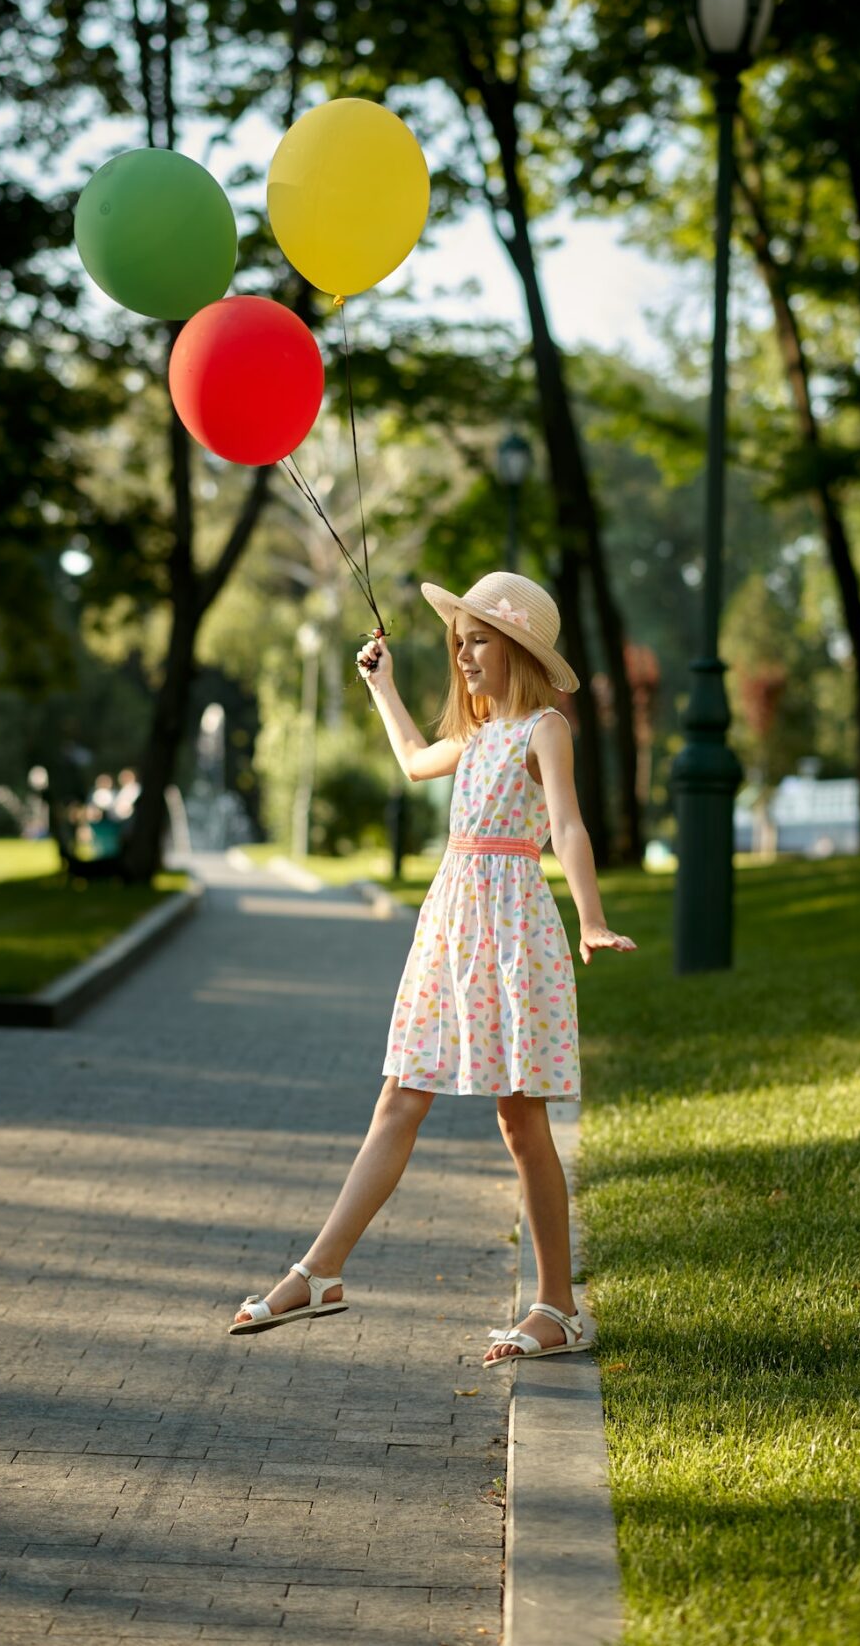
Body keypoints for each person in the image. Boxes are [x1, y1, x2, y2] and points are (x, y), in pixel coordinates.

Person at [228, 572, 636, 1367]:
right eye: (460, 640)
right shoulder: (478, 736)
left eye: (479, 638)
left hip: (513, 933)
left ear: (518, 649)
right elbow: (415, 760)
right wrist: (382, 685)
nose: (464, 652)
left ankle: (558, 1307)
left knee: (522, 1123)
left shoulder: (543, 729)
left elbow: (569, 827)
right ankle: (320, 1271)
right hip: (451, 929)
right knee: (399, 1097)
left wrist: (590, 918)